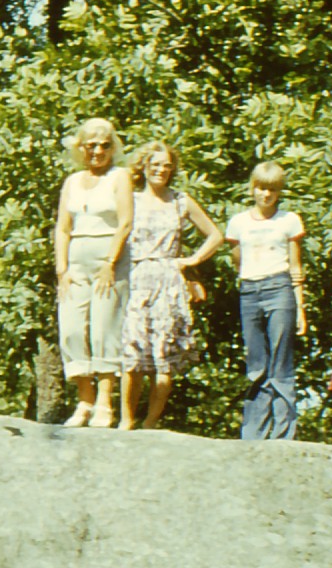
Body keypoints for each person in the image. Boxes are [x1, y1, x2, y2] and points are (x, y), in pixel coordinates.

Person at [118, 141, 222, 430]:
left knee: (163, 358)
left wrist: (190, 261)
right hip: (138, 278)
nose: (160, 170)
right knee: (134, 354)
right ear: (144, 166)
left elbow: (216, 235)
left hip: (170, 279)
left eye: (166, 165)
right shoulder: (132, 198)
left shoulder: (180, 200)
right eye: (155, 164)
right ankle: (126, 420)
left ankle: (150, 422)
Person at [51, 118, 133, 427]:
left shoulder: (119, 176)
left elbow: (125, 222)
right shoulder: (72, 181)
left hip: (108, 258)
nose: (98, 151)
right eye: (92, 145)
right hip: (75, 262)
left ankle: (103, 402)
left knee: (103, 329)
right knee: (71, 329)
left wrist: (110, 263)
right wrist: (62, 270)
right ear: (81, 148)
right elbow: (62, 227)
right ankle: (83, 400)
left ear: (113, 148)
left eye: (105, 145)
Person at [225, 161, 308, 440]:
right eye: (261, 188)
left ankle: (283, 433)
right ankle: (254, 433)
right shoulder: (238, 222)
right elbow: (237, 260)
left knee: (281, 363)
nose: (266, 195)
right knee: (256, 362)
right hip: (250, 290)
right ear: (252, 188)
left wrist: (301, 309)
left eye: (272, 189)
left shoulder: (289, 220)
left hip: (280, 288)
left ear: (279, 191)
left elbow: (296, 267)